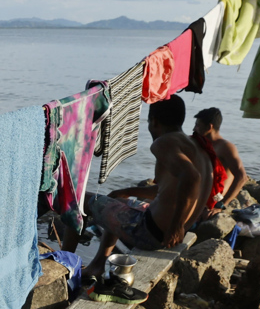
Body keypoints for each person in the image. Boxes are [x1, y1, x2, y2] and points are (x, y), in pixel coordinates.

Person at [67, 95, 213, 282]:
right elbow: (170, 189)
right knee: (117, 202)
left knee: (79, 202)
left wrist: (176, 225)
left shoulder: (164, 142)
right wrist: (126, 191)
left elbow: (191, 177)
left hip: (150, 233)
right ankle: (97, 265)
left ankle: (66, 265)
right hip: (167, 233)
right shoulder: (197, 147)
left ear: (154, 121)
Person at [192, 107, 248, 212]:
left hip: (216, 199)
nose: (194, 129)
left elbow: (242, 177)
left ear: (209, 127)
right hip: (201, 196)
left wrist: (221, 205)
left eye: (197, 125)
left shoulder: (225, 147)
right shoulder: (203, 145)